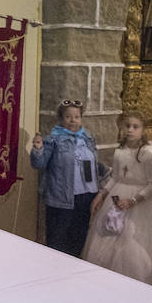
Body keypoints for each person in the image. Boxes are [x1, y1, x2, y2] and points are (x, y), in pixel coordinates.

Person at [82, 112, 152, 287]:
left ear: (143, 130)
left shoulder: (148, 153)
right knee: (108, 238)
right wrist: (101, 194)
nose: (130, 130)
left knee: (133, 242)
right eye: (127, 126)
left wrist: (132, 201)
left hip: (140, 202)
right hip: (117, 196)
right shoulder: (120, 151)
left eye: (135, 127)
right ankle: (107, 282)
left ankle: (135, 283)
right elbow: (115, 176)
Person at [31, 100, 99, 257]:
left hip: (86, 197)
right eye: (68, 116)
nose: (73, 120)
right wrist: (38, 149)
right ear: (61, 119)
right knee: (57, 243)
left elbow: (93, 165)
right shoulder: (53, 139)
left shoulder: (88, 138)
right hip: (61, 199)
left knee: (78, 241)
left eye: (77, 116)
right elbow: (39, 163)